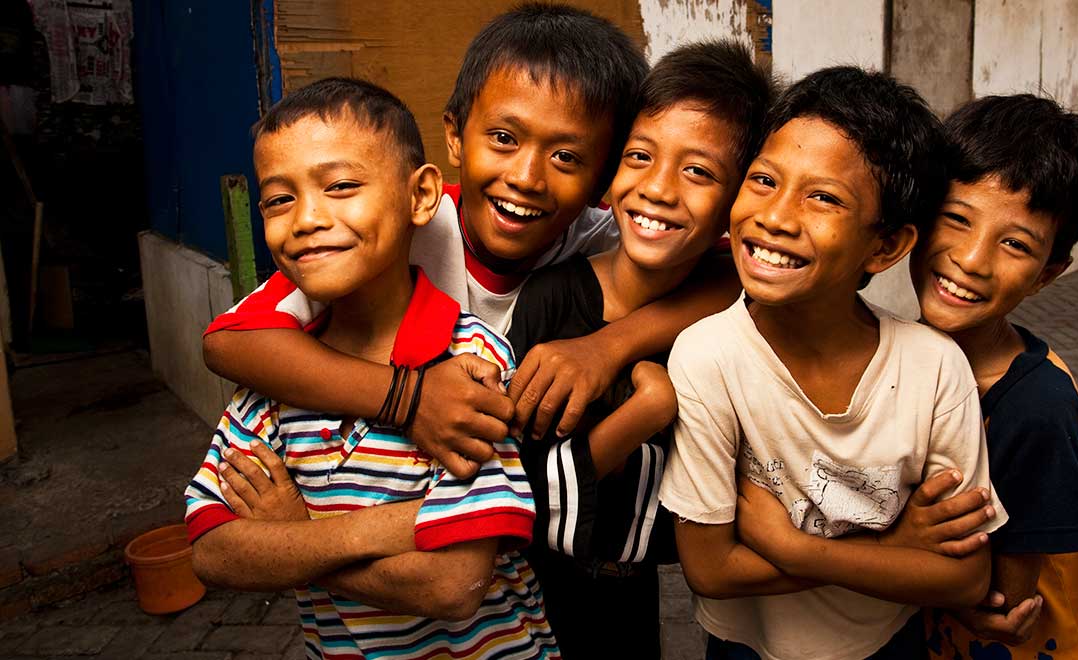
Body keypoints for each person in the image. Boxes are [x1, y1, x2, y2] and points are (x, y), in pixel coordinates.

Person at [200, 3, 734, 483]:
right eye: (503, 138)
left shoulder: (608, 236)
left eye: (566, 157)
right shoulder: (404, 227)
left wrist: (606, 348)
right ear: (455, 136)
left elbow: (735, 276)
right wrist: (408, 399)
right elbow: (230, 342)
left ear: (604, 178)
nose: (526, 177)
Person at [183, 77, 555, 659]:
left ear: (421, 195)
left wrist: (293, 535)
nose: (305, 218)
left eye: (342, 186)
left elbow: (454, 585)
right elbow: (213, 552)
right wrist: (383, 530)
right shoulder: (275, 379)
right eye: (280, 199)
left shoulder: (472, 367)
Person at [658, 66, 1009, 660]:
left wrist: (792, 549)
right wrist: (896, 548)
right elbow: (711, 569)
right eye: (764, 179)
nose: (775, 216)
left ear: (886, 245)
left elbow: (965, 578)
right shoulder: (708, 356)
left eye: (823, 197)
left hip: (888, 644)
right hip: (746, 646)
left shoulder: (935, 369)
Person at [504, 40, 774, 659]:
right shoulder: (552, 297)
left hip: (635, 591)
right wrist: (644, 411)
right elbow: (524, 489)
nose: (657, 188)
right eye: (640, 156)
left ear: (737, 204)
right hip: (534, 595)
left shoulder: (731, 317)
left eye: (699, 171)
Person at [913, 94, 1078, 660]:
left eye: (1014, 244)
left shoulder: (1035, 407)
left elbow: (1005, 604)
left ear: (1047, 274)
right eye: (956, 218)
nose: (972, 259)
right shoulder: (910, 358)